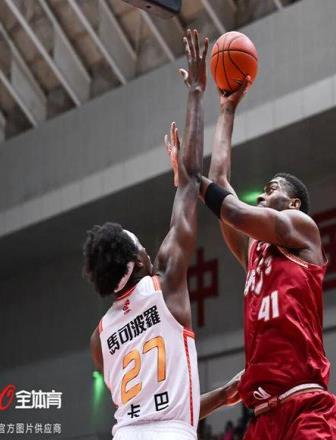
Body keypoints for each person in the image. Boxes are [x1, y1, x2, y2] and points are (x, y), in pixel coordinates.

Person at [83, 29, 238, 440]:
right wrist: (196, 93)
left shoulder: (99, 339)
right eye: (141, 245)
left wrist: (223, 396)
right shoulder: (166, 282)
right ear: (138, 261)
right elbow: (193, 180)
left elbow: (154, 408)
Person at [195, 76, 336, 438]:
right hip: (262, 418)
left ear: (293, 203)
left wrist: (191, 180)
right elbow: (220, 184)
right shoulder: (255, 253)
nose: (261, 196)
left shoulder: (303, 229)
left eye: (270, 190)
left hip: (305, 406)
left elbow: (232, 210)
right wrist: (226, 111)